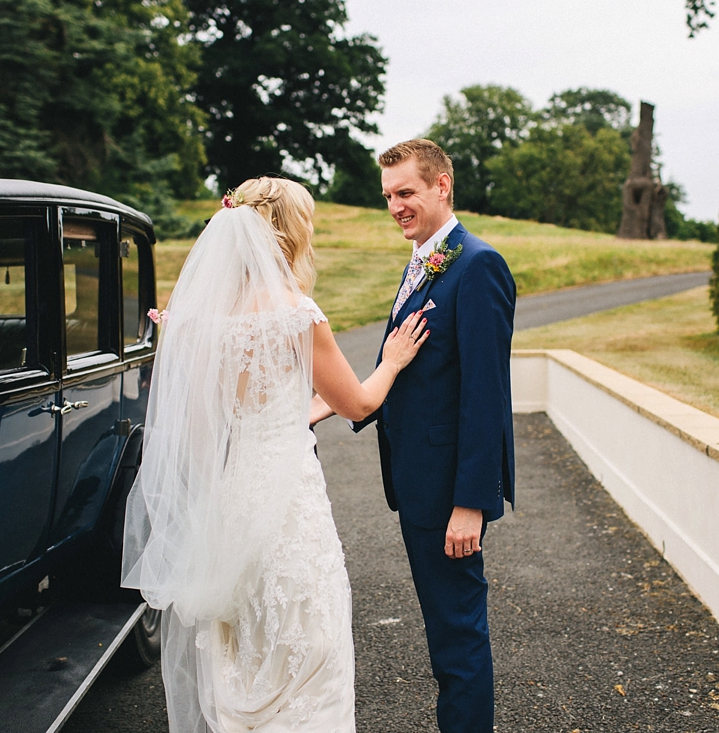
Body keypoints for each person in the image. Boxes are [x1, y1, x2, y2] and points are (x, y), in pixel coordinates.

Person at [122, 176, 428, 732]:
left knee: (242, 650)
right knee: (309, 644)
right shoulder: (295, 313)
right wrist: (393, 360)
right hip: (288, 505)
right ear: (289, 231)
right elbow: (358, 404)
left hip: (232, 498)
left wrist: (294, 414)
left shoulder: (200, 319)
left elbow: (201, 431)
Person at [312, 139, 516, 733]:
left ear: (442, 185)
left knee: (457, 639)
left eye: (407, 193)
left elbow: (486, 395)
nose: (396, 206)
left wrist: (471, 504)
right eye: (388, 197)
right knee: (445, 634)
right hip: (417, 484)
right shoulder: (425, 259)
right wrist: (329, 405)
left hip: (449, 494)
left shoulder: (477, 265)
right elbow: (409, 367)